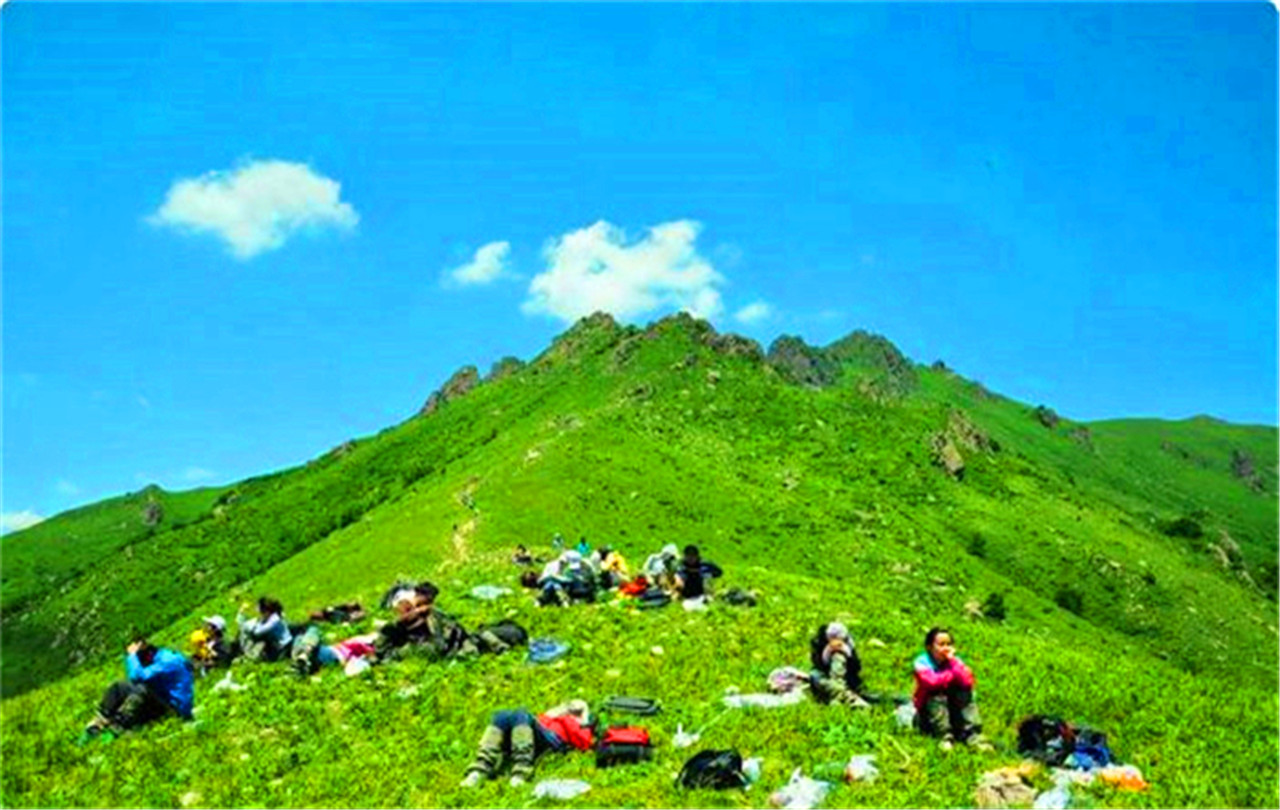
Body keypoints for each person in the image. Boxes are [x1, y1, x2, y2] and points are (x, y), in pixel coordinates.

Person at [460, 699, 594, 788]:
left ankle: (521, 770)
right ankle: (480, 767)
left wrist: (581, 715)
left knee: (521, 712)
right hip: (537, 735)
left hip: (554, 741)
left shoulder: (582, 723)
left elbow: (584, 742)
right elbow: (538, 722)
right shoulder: (553, 716)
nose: (572, 709)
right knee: (502, 715)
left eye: (577, 709)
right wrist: (557, 711)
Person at [82, 640, 194, 741]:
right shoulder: (161, 657)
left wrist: (132, 656)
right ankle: (99, 722)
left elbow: (137, 676)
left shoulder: (167, 661)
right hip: (164, 701)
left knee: (141, 689)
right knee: (119, 687)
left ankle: (118, 727)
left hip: (176, 710)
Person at [913, 627, 991, 751]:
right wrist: (951, 675)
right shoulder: (922, 662)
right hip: (928, 712)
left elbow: (967, 681)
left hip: (952, 708)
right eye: (941, 644)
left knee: (964, 691)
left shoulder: (954, 662)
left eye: (948, 644)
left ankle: (972, 735)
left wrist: (953, 663)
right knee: (936, 693)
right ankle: (944, 737)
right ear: (929, 647)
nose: (946, 648)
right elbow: (931, 682)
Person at [809, 622, 870, 708]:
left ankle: (843, 697)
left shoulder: (848, 646)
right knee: (815, 675)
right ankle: (848, 697)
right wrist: (827, 652)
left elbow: (856, 668)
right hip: (826, 678)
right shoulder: (819, 642)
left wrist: (845, 653)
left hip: (846, 679)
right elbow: (817, 663)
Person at [237, 597, 293, 661]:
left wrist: (253, 624)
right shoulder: (268, 618)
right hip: (276, 645)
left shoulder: (275, 619)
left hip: (282, 648)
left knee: (253, 635)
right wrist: (241, 612)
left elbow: (257, 632)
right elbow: (245, 624)